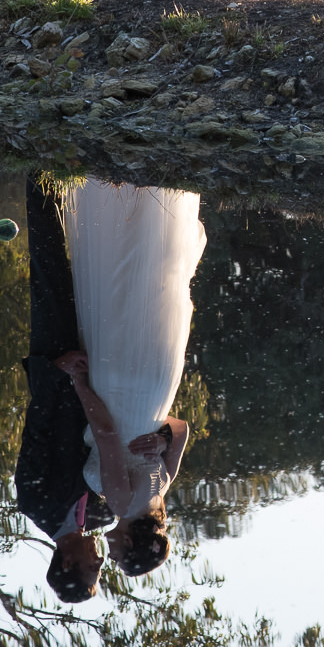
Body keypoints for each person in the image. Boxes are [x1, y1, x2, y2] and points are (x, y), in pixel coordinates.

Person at [53, 181, 210, 577]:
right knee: (116, 290)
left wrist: (160, 438)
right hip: (116, 389)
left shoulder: (162, 487)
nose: (111, 555)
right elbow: (106, 437)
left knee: (148, 289)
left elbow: (183, 428)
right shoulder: (122, 504)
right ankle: (115, 197)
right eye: (119, 558)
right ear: (129, 543)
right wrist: (80, 384)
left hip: (156, 386)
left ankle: (151, 203)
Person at [14, 175, 115, 603]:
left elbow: (35, 433)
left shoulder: (36, 506)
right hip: (103, 375)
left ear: (68, 563)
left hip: (59, 365)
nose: (101, 561)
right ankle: (101, 190)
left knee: (50, 268)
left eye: (93, 568)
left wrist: (58, 371)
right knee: (102, 279)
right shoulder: (105, 513)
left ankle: (39, 175)